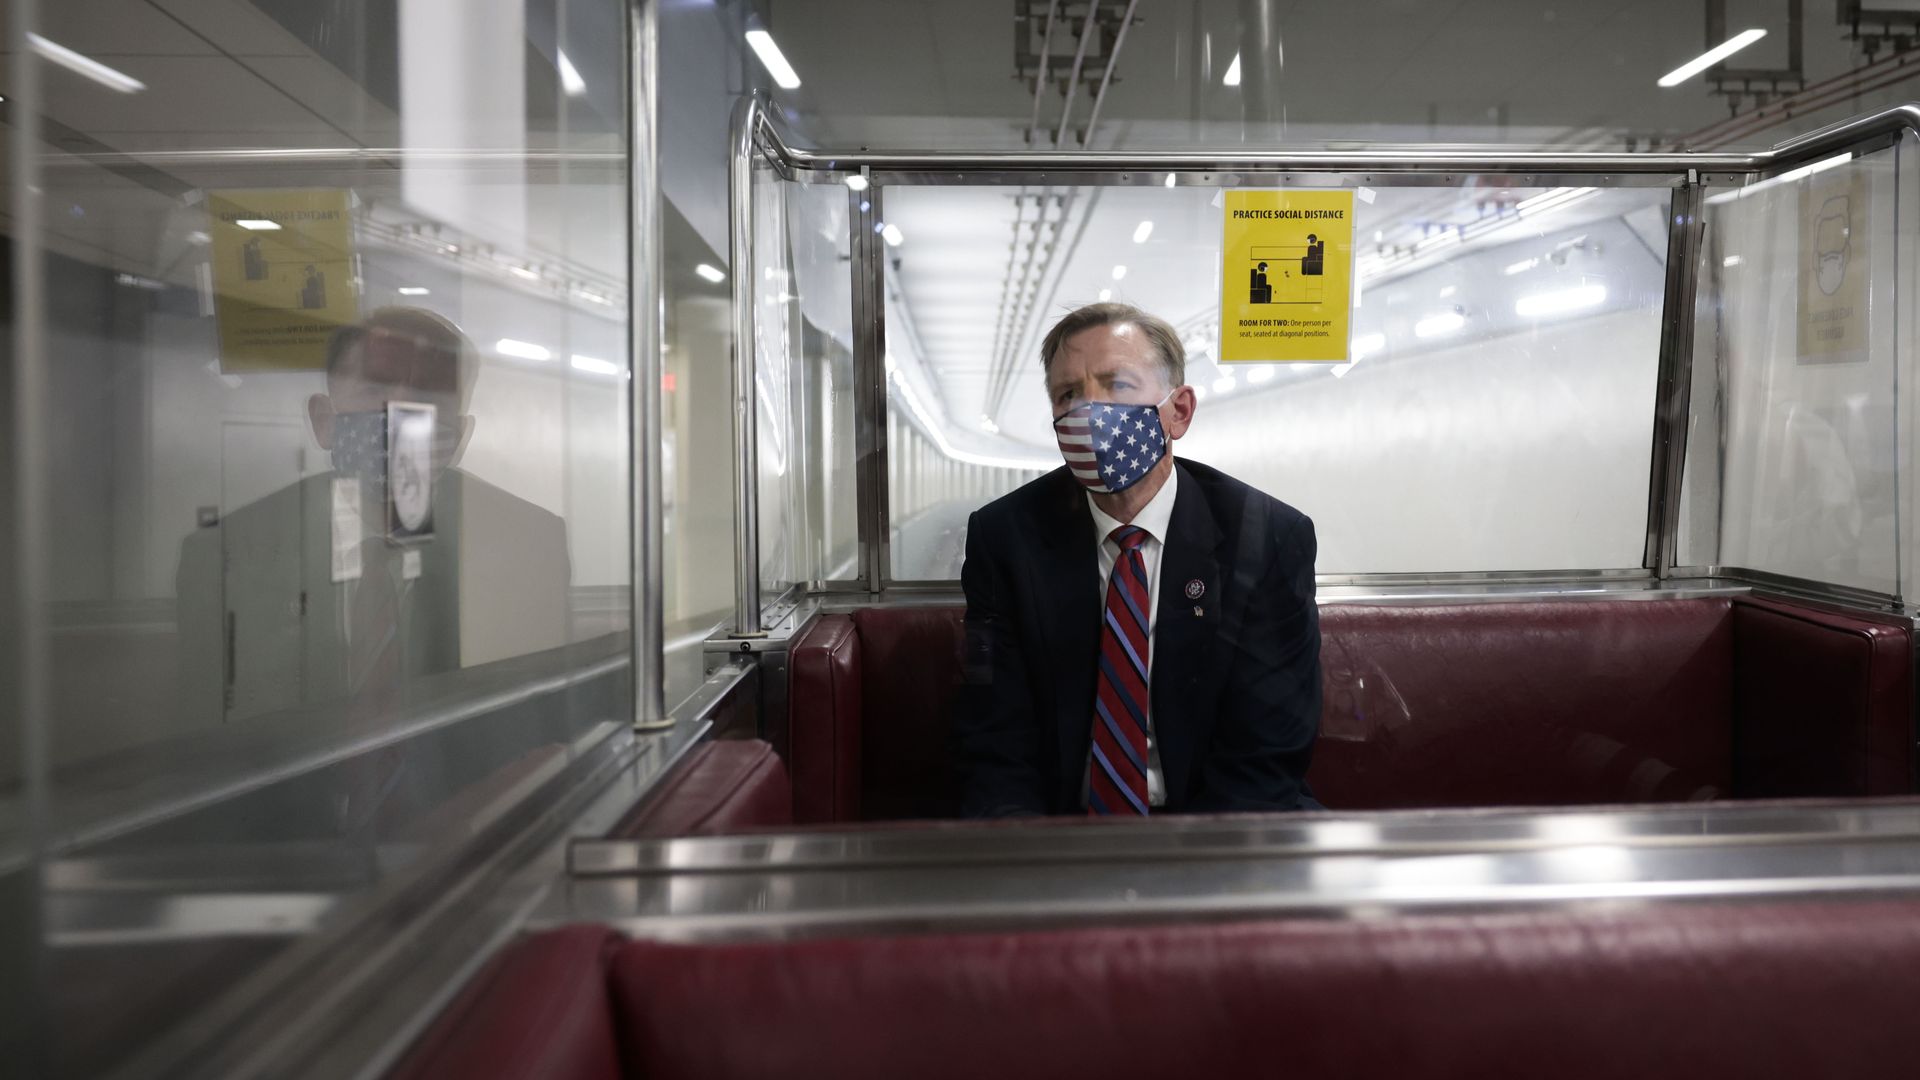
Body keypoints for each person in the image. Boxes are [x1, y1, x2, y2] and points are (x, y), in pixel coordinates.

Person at [952, 301, 1322, 817]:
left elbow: (1266, 752)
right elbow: (996, 739)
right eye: (1068, 394)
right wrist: (1029, 868)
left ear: (1179, 411)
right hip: (1061, 830)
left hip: (1221, 827)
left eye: (1117, 384)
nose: (1089, 410)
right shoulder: (1007, 538)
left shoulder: (1265, 538)